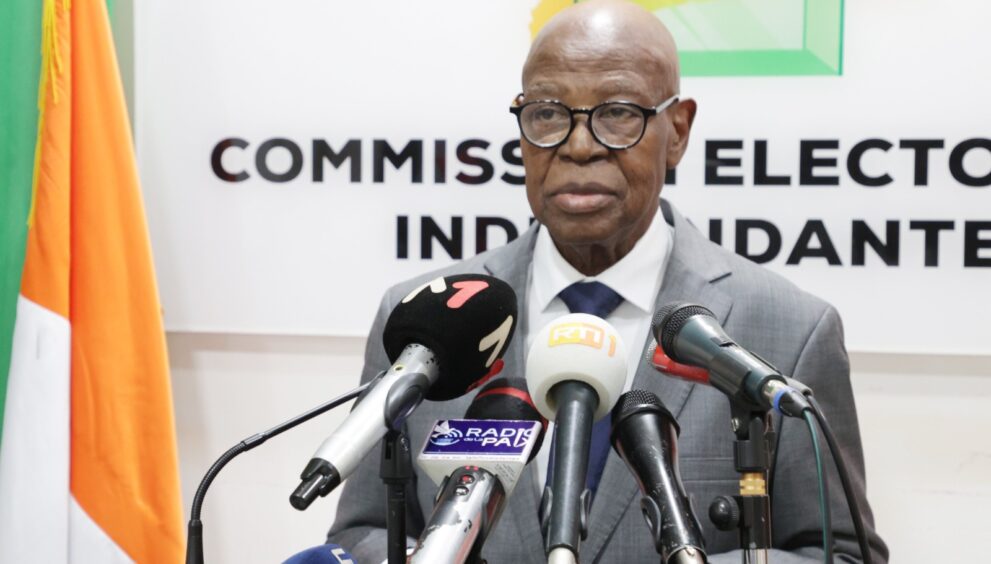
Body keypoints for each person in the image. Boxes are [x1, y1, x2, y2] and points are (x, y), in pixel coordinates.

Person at [327, 1, 888, 562]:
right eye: (547, 113)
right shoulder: (427, 321)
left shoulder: (788, 329)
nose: (579, 146)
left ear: (677, 130)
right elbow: (362, 534)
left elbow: (837, 553)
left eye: (618, 112)